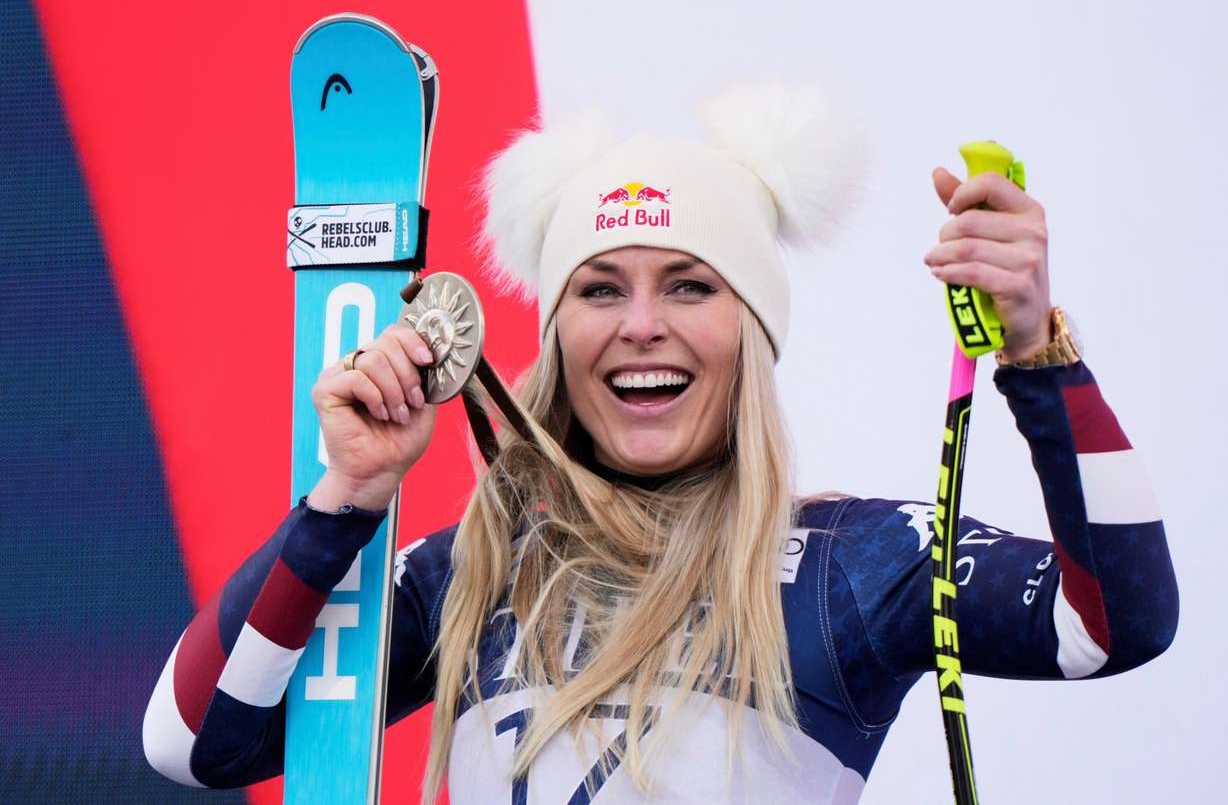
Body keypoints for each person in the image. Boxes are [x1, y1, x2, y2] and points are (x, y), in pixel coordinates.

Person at [143, 85, 1178, 804]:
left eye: (690, 284)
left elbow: (1117, 622)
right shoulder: (472, 571)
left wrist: (1039, 353)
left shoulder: (856, 565)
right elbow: (192, 742)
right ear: (554, 339)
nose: (642, 324)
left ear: (749, 336)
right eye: (599, 289)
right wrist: (348, 497)